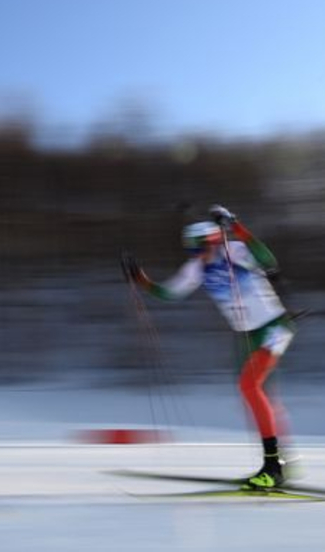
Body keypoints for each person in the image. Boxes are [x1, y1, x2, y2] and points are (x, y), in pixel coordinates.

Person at [122, 205, 296, 489]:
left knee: (250, 387)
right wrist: (142, 280)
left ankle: (273, 468)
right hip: (247, 335)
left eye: (198, 248)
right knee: (260, 397)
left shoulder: (235, 251)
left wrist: (236, 226)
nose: (195, 256)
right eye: (191, 251)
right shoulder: (196, 268)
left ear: (213, 241)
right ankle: (284, 463)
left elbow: (267, 258)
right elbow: (171, 293)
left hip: (273, 327)